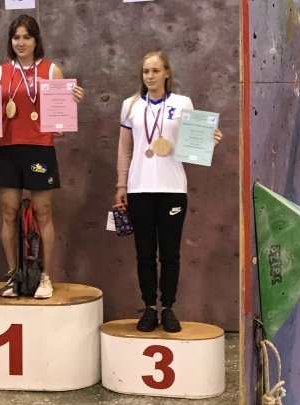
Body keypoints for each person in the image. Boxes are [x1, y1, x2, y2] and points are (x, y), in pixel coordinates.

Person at [114, 51, 223, 333]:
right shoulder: (130, 105)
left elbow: (194, 143)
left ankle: (169, 308)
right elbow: (124, 150)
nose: (149, 76)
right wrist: (121, 185)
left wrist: (210, 140)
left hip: (173, 188)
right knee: (145, 253)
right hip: (139, 188)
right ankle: (150, 307)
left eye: (155, 71)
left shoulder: (182, 103)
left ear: (167, 73)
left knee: (170, 253)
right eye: (145, 71)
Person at [0, 15, 84, 299]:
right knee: (9, 212)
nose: (21, 43)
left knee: (43, 213)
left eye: (26, 37)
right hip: (8, 148)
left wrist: (72, 101)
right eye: (16, 37)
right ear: (10, 41)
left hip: (40, 148)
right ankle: (12, 276)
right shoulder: (0, 73)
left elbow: (61, 116)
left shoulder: (51, 70)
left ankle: (45, 276)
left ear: (36, 40)